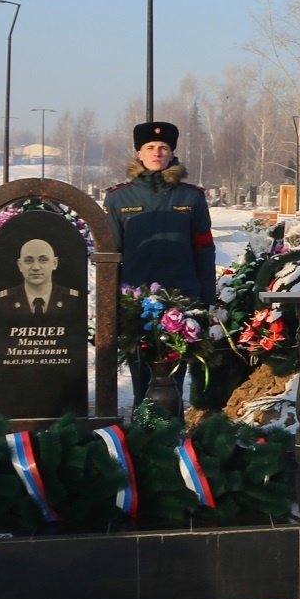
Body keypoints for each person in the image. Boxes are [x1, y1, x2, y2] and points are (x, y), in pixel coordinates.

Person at [103, 121, 216, 402]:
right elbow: (110, 256)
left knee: (173, 373)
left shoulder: (192, 197)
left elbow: (204, 250)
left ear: (172, 153)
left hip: (181, 298)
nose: (157, 153)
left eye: (163, 147)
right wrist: (110, 302)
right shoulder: (118, 198)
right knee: (141, 372)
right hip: (135, 301)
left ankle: (172, 431)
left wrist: (208, 299)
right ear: (138, 153)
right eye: (150, 147)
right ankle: (145, 434)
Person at [0, 238, 84, 318]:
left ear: (55, 263)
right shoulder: (4, 302)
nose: (36, 267)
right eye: (28, 261)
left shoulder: (72, 301)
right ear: (20, 265)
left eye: (43, 260)